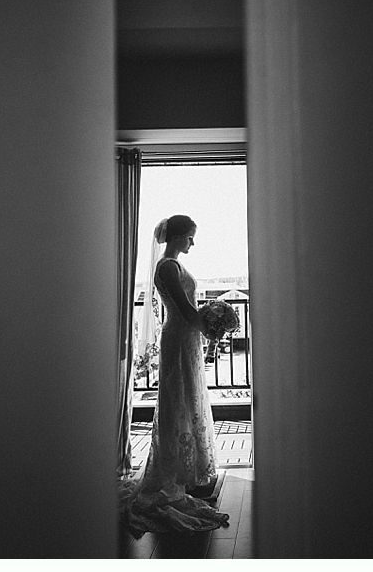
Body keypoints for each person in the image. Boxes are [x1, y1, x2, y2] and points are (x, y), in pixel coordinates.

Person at [120, 215, 229, 537]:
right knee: (178, 401)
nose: (192, 243)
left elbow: (189, 311)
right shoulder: (168, 266)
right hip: (180, 337)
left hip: (185, 338)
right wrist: (211, 324)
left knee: (186, 399)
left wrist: (209, 324)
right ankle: (171, 474)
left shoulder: (173, 265)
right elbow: (185, 310)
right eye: (190, 237)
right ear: (177, 236)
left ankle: (183, 471)